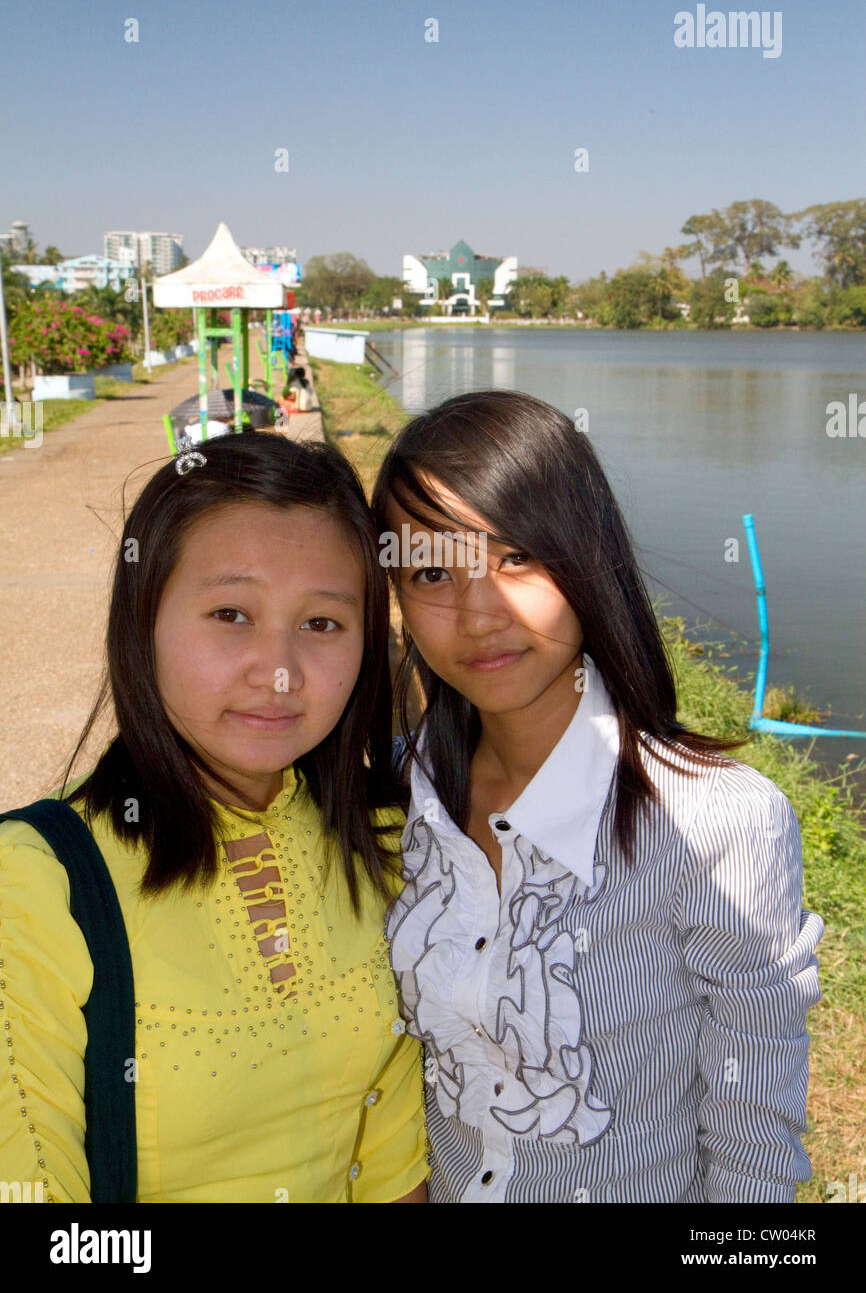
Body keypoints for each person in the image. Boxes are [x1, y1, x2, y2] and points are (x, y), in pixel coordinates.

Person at [371, 388, 823, 1204]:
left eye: (516, 558)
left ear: (588, 556)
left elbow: (756, 1135)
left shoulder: (716, 823)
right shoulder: (394, 798)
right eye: (432, 569)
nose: (479, 615)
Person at [0, 432, 427, 1203]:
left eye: (322, 623)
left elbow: (395, 1154)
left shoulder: (387, 842)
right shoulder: (36, 880)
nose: (280, 672)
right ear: (144, 622)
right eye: (231, 613)